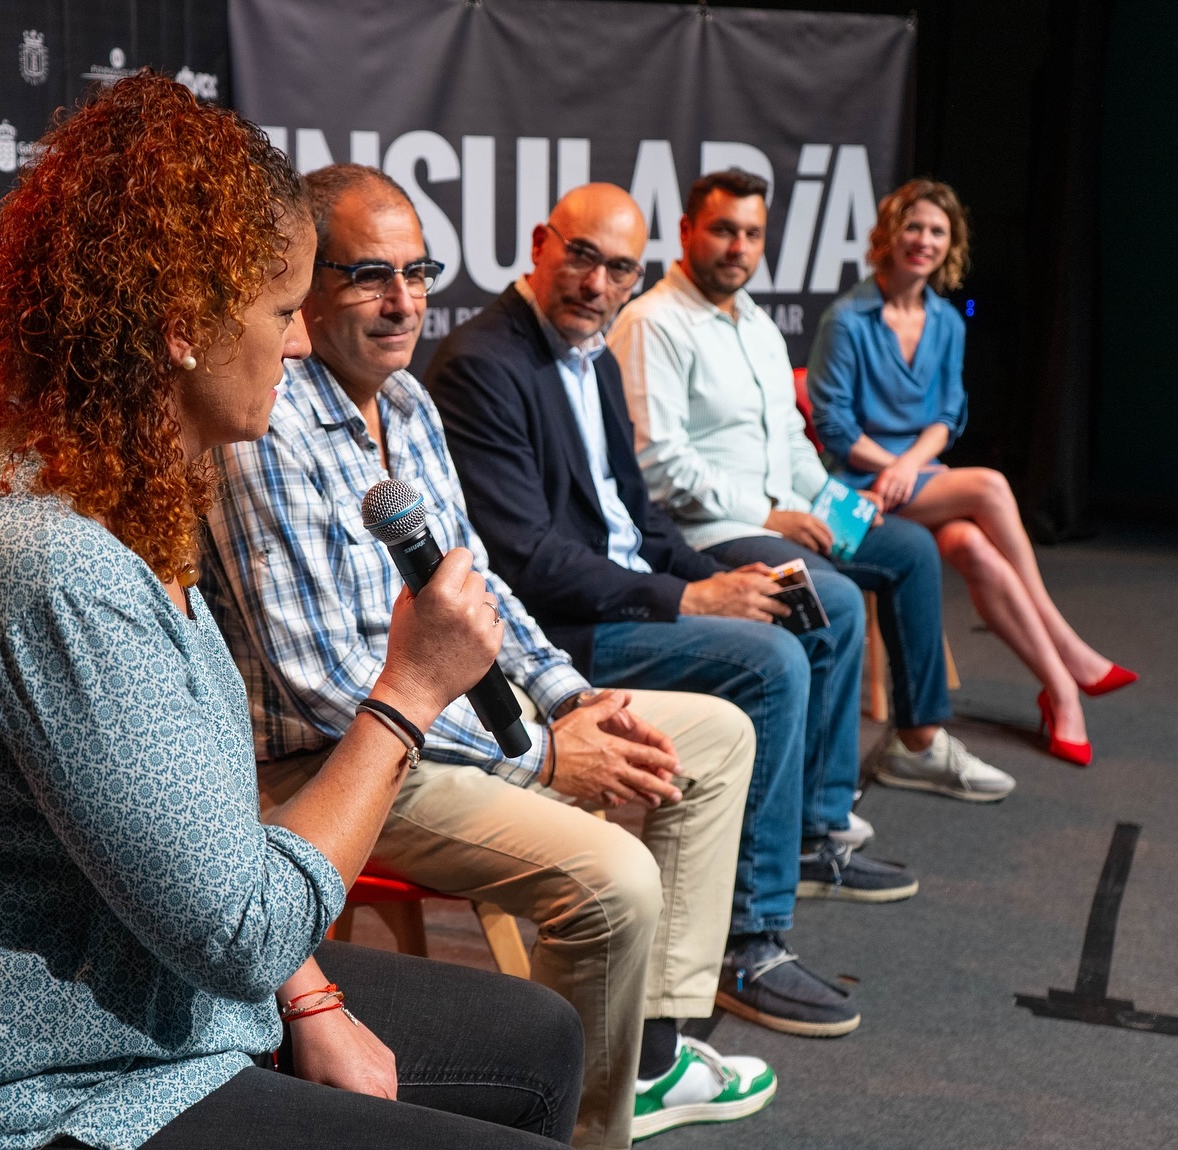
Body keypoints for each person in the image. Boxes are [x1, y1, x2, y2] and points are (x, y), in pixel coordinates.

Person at [0, 75, 587, 1150]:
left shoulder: (120, 490)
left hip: (164, 1012)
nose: (299, 344)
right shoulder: (50, 563)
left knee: (541, 1037)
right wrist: (409, 692)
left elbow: (208, 846)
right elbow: (240, 930)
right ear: (183, 328)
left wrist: (310, 996)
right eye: (281, 312)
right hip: (45, 1098)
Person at [204, 163, 770, 1150]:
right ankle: (580, 1130)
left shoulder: (411, 406)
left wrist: (570, 700)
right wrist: (546, 758)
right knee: (617, 882)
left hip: (433, 718)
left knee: (715, 735)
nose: (402, 302)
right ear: (305, 286)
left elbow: (478, 589)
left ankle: (649, 1052)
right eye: (368, 276)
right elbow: (329, 681)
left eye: (417, 273)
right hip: (331, 764)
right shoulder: (271, 424)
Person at [424, 182, 918, 1048]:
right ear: (541, 244)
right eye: (581, 256)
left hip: (617, 593)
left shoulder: (595, 356)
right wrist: (690, 596)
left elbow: (641, 523)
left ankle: (804, 840)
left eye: (619, 268)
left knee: (798, 607)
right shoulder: (483, 364)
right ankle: (747, 943)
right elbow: (528, 562)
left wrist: (727, 578)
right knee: (770, 665)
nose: (596, 282)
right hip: (555, 631)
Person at [607, 168, 1015, 802]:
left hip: (777, 513)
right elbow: (660, 468)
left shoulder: (758, 326)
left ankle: (919, 743)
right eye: (722, 231)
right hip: (706, 532)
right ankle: (820, 811)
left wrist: (839, 504)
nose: (739, 247)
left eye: (752, 233)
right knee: (833, 600)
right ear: (687, 232)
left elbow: (792, 446)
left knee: (908, 549)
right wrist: (770, 517)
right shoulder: (653, 323)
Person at [807, 178, 1137, 767]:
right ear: (888, 234)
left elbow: (947, 415)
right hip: (850, 497)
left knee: (973, 548)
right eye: (914, 226)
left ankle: (1061, 693)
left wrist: (910, 465)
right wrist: (898, 465)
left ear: (950, 243)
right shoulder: (846, 320)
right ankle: (1067, 647)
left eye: (937, 231)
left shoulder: (947, 321)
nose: (924, 240)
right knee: (988, 485)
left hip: (917, 482)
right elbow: (834, 430)